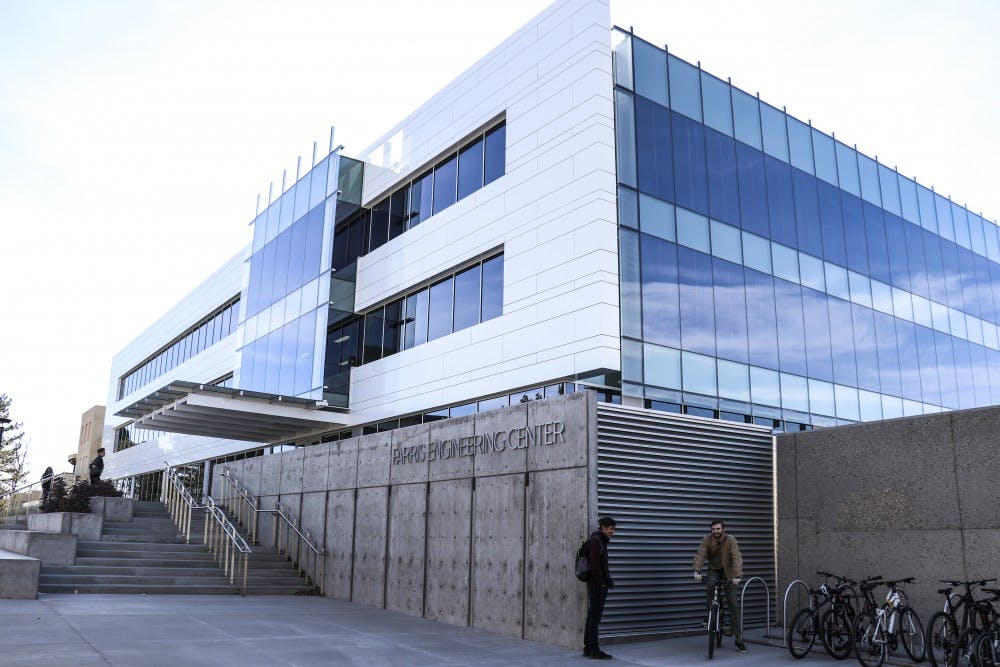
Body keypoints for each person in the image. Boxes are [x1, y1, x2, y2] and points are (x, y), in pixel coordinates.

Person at [693, 519, 747, 653]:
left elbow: (736, 557)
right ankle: (708, 615)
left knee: (733, 603)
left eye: (718, 529)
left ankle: (738, 639)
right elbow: (701, 554)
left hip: (729, 572)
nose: (715, 531)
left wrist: (738, 576)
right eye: (713, 529)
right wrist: (697, 570)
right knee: (710, 586)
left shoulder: (731, 540)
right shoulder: (707, 539)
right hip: (714, 569)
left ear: (723, 529)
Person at [583, 516, 616, 660]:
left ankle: (588, 648)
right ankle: (594, 650)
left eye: (614, 529)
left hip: (597, 585)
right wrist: (601, 583)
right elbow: (595, 566)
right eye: (611, 528)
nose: (613, 532)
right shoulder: (596, 542)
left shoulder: (599, 541)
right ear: (602, 527)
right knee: (594, 619)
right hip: (597, 586)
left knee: (592, 616)